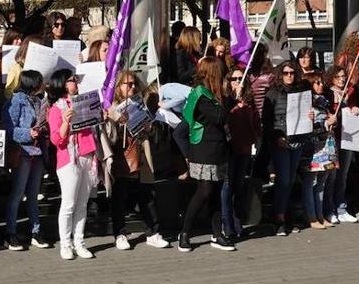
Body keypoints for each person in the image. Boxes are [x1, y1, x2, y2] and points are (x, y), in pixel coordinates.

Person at [100, 70, 169, 249]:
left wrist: (148, 126)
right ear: (118, 87)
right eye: (127, 84)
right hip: (122, 157)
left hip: (140, 155)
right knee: (120, 197)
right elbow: (109, 138)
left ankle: (153, 232)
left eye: (133, 84)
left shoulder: (139, 104)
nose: (131, 87)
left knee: (147, 195)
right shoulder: (112, 108)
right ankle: (120, 233)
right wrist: (115, 122)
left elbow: (150, 133)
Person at [180, 56, 233, 251]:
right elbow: (219, 117)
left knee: (216, 192)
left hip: (219, 149)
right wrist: (231, 96)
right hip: (204, 150)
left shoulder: (214, 94)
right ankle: (185, 232)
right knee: (204, 191)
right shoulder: (201, 95)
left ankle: (217, 234)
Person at [47, 68, 96, 260]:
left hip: (86, 154)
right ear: (62, 84)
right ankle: (65, 244)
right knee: (68, 204)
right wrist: (66, 123)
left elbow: (93, 125)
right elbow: (56, 140)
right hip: (69, 158)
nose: (75, 82)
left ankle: (79, 242)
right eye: (71, 80)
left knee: (82, 203)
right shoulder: (56, 108)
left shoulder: (82, 102)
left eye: (75, 79)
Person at [262, 60, 314, 236]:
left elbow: (306, 114)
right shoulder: (273, 93)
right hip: (281, 142)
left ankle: (286, 215)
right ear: (280, 74)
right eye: (285, 73)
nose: (289, 76)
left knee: (291, 180)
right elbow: (266, 122)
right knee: (283, 180)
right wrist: (276, 137)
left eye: (292, 73)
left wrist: (310, 116)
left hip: (297, 140)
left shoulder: (302, 91)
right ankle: (279, 217)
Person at [3, 70, 54, 250]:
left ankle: (35, 231)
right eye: (40, 81)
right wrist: (27, 133)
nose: (42, 84)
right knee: (18, 193)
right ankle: (10, 233)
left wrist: (43, 129)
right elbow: (8, 128)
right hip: (23, 152)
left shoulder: (39, 101)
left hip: (37, 151)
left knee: (33, 194)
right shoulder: (16, 100)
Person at [326, 65, 359, 223]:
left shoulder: (352, 92)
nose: (342, 79)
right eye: (338, 77)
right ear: (332, 78)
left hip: (348, 138)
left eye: (344, 76)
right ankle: (329, 208)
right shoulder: (328, 93)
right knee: (331, 176)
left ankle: (341, 207)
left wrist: (356, 109)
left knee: (343, 175)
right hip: (332, 140)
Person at [223, 65, 259, 238]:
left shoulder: (249, 100)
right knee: (227, 187)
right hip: (229, 148)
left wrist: (256, 139)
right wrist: (233, 102)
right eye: (235, 79)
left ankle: (238, 224)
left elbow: (255, 122)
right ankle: (226, 224)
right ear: (228, 82)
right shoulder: (225, 100)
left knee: (239, 186)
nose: (238, 82)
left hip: (244, 148)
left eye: (241, 79)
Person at [302, 70, 336, 230]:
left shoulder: (324, 102)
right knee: (310, 182)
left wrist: (332, 122)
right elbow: (307, 128)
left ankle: (321, 215)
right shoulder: (306, 105)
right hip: (313, 149)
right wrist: (324, 125)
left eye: (322, 82)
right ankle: (311, 216)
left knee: (322, 182)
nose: (321, 85)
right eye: (317, 82)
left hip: (326, 148)